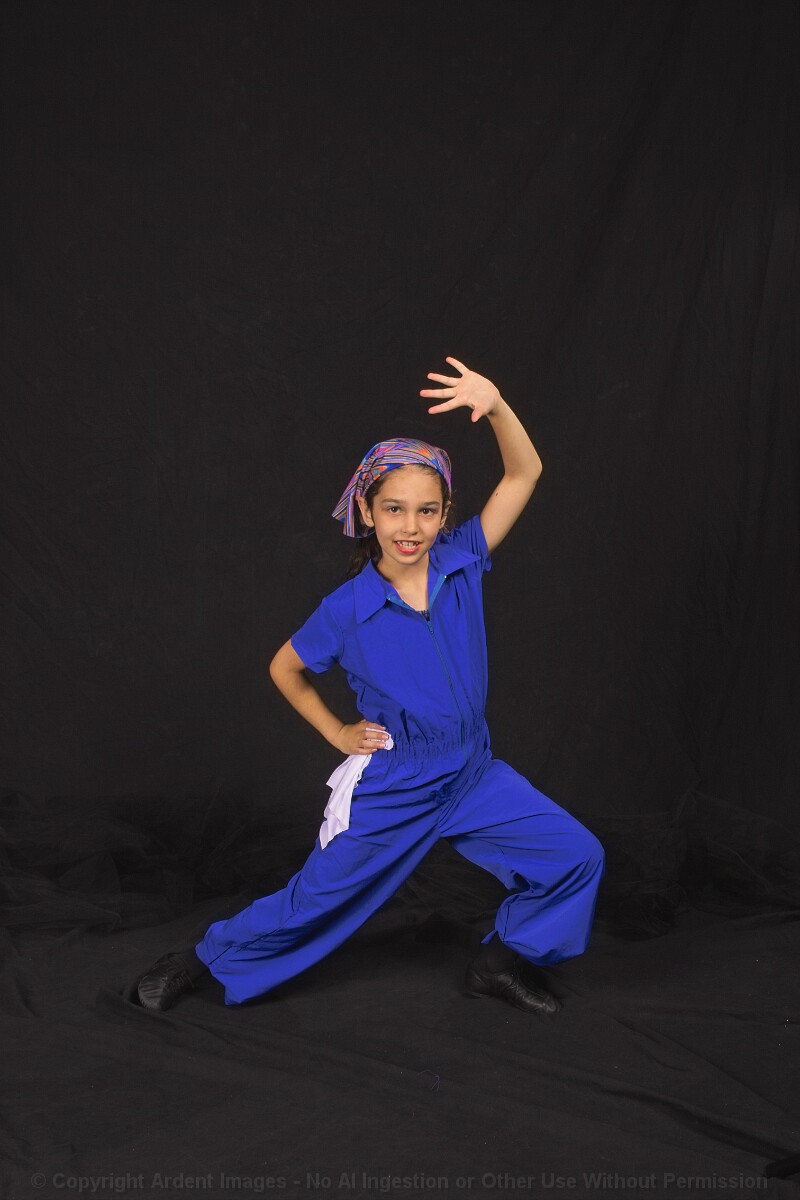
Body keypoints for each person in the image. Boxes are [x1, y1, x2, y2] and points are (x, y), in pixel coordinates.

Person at [134, 357, 604, 1017]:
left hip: (471, 770)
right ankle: (199, 959)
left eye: (427, 511)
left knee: (576, 855)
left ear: (445, 514)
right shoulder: (346, 610)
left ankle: (499, 964)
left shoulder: (463, 561)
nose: (411, 527)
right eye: (394, 510)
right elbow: (284, 668)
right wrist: (335, 730)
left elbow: (524, 473)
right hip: (399, 783)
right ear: (367, 510)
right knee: (316, 898)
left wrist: (496, 405)